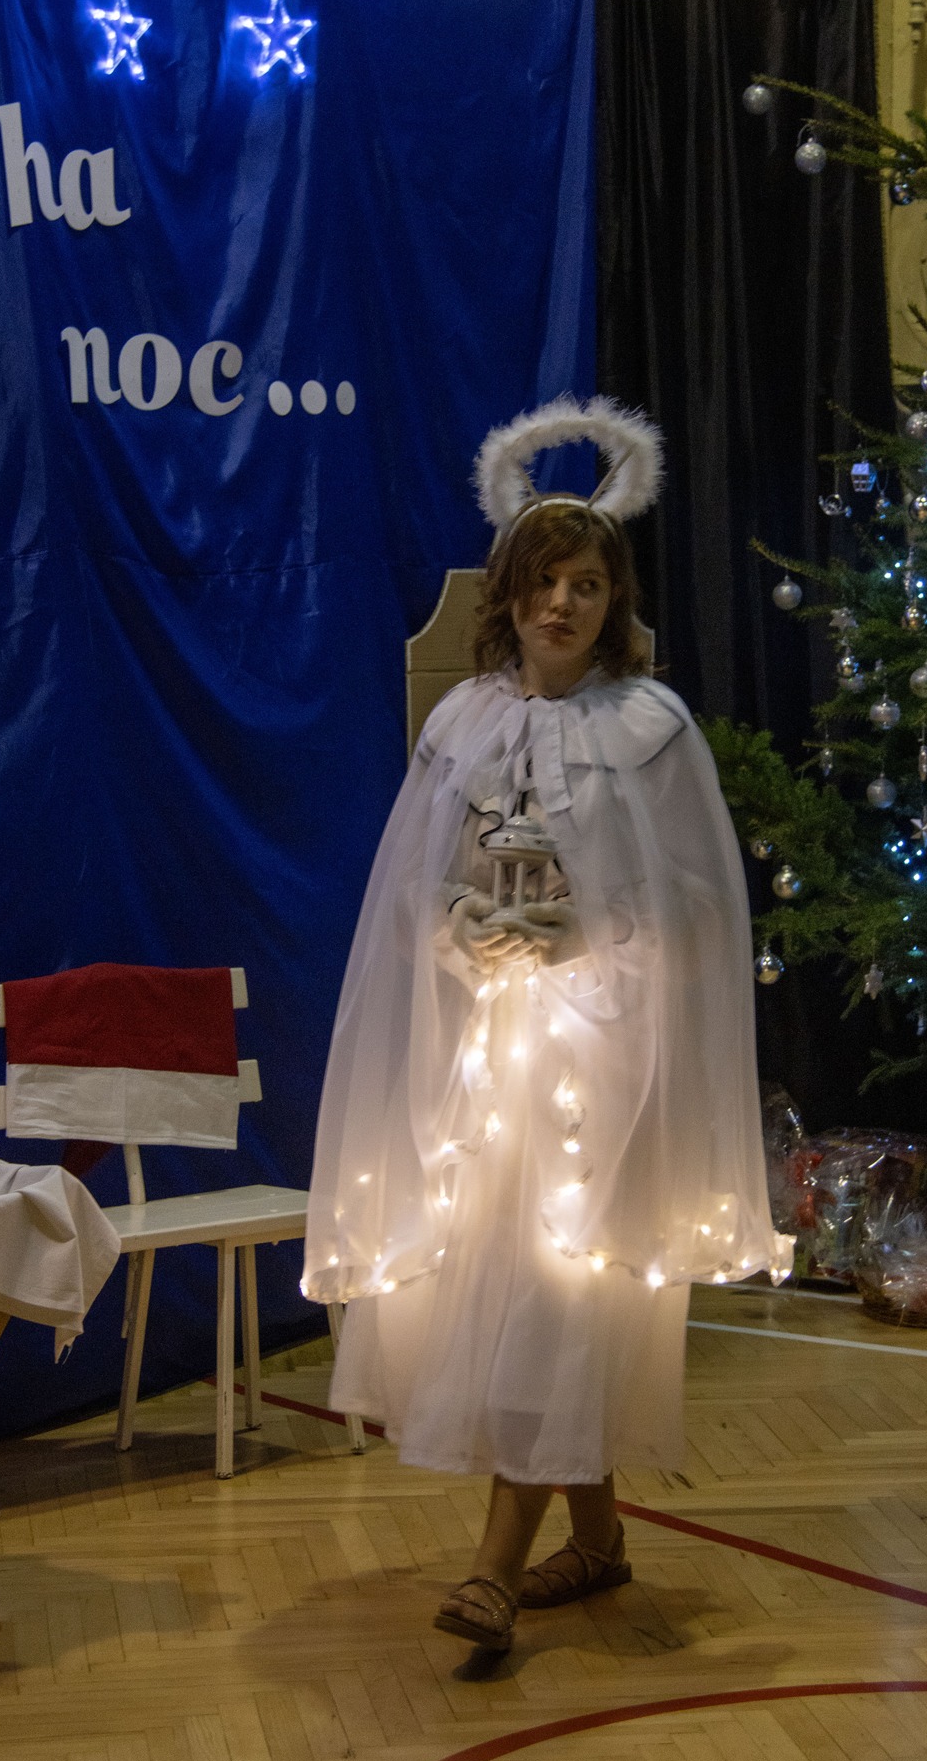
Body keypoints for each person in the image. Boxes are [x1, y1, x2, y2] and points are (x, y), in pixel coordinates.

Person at [304, 395, 788, 1655]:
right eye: (542, 581)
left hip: (604, 1061)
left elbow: (697, 906)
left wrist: (589, 934)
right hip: (488, 1071)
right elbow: (411, 886)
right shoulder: (462, 724)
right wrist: (460, 930)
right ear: (509, 591)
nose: (560, 604)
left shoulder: (649, 730)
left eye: (585, 584)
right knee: (522, 1293)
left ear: (613, 599)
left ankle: (494, 1570)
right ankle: (601, 1541)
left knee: (556, 1298)